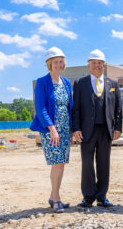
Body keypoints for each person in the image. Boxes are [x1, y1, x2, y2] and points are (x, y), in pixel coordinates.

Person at [72, 49, 122, 208]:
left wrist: (118, 128)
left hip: (106, 130)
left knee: (104, 164)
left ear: (104, 65)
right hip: (86, 131)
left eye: (100, 63)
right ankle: (88, 197)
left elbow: (118, 108)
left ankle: (102, 196)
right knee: (87, 164)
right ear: (88, 65)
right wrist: (76, 128)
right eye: (94, 63)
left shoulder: (112, 84)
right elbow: (76, 109)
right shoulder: (80, 83)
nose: (97, 66)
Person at [30, 46, 73, 213]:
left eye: (61, 61)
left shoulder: (67, 82)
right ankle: (56, 199)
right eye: (55, 62)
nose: (59, 64)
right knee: (56, 163)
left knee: (61, 164)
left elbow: (70, 107)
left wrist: (71, 130)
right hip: (50, 130)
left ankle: (53, 196)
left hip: (65, 128)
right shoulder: (42, 82)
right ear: (49, 63)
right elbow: (40, 108)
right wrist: (52, 129)